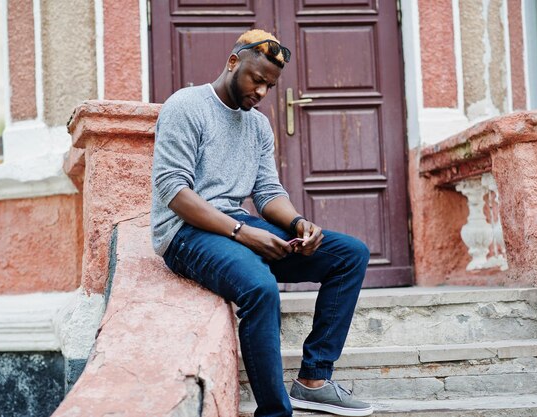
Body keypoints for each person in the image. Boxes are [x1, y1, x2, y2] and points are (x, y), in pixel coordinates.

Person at [151, 29, 373, 417]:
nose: (262, 92)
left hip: (236, 223)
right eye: (257, 80)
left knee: (349, 255)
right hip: (184, 232)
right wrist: (242, 233)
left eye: (270, 85)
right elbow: (173, 191)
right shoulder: (186, 106)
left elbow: (268, 193)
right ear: (233, 62)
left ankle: (314, 381)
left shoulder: (257, 125)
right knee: (260, 288)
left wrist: (300, 222)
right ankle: (274, 412)